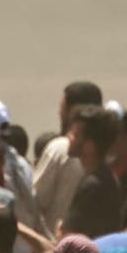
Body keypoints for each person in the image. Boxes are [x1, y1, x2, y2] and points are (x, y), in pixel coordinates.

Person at [34, 84, 103, 231]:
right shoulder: (108, 153)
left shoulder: (59, 149)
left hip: (57, 244)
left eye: (62, 108)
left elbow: (36, 201)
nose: (59, 113)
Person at [61, 107, 126, 238]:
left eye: (75, 134)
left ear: (90, 146)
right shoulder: (107, 177)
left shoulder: (91, 186)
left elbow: (69, 237)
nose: (68, 136)